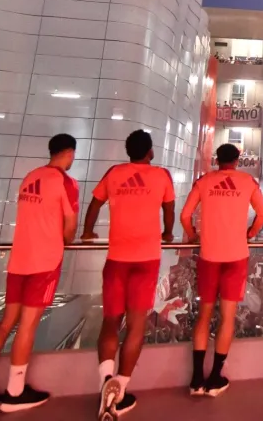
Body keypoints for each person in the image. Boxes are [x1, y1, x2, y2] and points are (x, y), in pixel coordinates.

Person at [0, 134, 79, 413]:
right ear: (69, 152)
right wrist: (67, 239)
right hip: (44, 263)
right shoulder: (66, 182)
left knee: (6, 322)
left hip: (18, 262)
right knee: (27, 326)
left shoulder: (30, 177)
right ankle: (14, 392)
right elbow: (69, 226)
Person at [81, 130, 175, 419]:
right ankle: (120, 389)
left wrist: (87, 231)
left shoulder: (115, 173)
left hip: (117, 259)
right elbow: (168, 209)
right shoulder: (161, 176)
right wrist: (168, 234)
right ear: (150, 152)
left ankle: (106, 380)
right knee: (135, 326)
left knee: (111, 321)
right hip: (146, 260)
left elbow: (95, 203)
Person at [181, 144, 263, 397]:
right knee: (227, 317)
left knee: (204, 315)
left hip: (208, 256)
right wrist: (250, 234)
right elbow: (261, 214)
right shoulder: (247, 182)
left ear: (217, 159)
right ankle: (215, 377)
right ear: (238, 160)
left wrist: (193, 235)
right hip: (236, 256)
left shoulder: (204, 182)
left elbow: (185, 216)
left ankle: (196, 379)